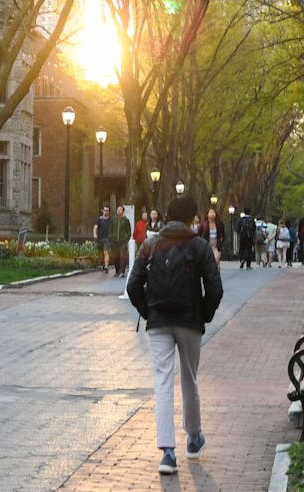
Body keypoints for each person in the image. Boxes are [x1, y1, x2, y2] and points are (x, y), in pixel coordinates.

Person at [127, 194, 223, 476]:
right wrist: (202, 314)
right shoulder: (200, 246)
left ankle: (167, 453)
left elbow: (133, 285)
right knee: (189, 378)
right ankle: (193, 438)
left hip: (158, 321)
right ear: (193, 217)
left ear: (167, 215)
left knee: (162, 381)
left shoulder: (150, 244)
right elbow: (215, 289)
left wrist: (148, 311)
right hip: (189, 321)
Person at [109, 207, 132, 277]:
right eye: (118, 210)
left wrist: (127, 238)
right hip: (114, 241)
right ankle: (117, 271)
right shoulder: (113, 220)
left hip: (123, 241)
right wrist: (111, 238)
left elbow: (129, 231)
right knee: (115, 256)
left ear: (123, 211)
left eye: (120, 210)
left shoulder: (126, 220)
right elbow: (110, 230)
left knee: (122, 256)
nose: (118, 211)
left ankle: (122, 272)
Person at [94, 207, 112, 272]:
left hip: (107, 239)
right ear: (103, 211)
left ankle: (106, 266)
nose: (106, 212)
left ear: (109, 212)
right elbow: (95, 227)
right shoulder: (99, 219)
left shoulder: (111, 220)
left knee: (106, 252)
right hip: (100, 238)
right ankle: (103, 265)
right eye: (105, 210)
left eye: (107, 210)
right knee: (101, 253)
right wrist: (95, 234)